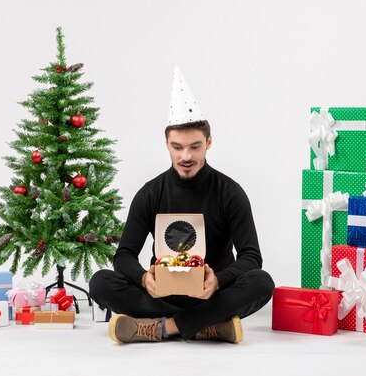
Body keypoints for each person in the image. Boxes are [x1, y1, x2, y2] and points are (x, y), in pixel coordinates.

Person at [89, 65, 274, 344]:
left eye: (195, 146)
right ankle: (206, 325)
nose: (186, 155)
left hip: (211, 293)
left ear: (209, 142)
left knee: (262, 282)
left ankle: (163, 328)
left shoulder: (230, 192)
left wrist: (218, 281)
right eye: (178, 147)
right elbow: (124, 255)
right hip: (161, 294)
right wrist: (143, 279)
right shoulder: (150, 193)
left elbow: (251, 256)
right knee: (100, 282)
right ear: (166, 144)